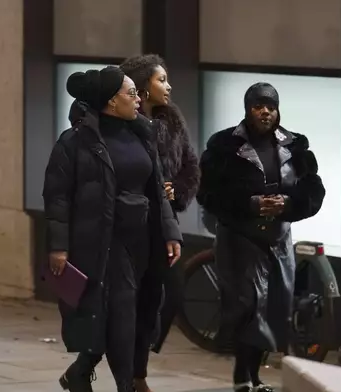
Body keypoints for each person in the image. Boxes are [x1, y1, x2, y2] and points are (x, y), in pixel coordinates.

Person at [43, 66, 182, 392]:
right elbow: (57, 198)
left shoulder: (141, 134)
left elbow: (157, 190)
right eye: (131, 93)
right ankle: (127, 385)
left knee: (138, 311)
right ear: (110, 101)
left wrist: (170, 230)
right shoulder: (75, 143)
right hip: (104, 241)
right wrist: (58, 247)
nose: (138, 99)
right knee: (122, 314)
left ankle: (80, 372)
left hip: (143, 239)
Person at [197, 82, 326, 392]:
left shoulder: (295, 146)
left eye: (271, 106)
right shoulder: (224, 146)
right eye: (258, 106)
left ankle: (255, 377)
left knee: (273, 310)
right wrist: (250, 203)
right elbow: (209, 194)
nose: (265, 112)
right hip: (240, 238)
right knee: (248, 307)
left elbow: (313, 191)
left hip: (279, 240)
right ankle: (243, 378)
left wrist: (289, 203)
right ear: (247, 109)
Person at [120, 54, 200, 392]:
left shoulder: (173, 119)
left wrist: (177, 188)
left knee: (169, 295)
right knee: (131, 301)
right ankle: (131, 375)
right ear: (142, 86)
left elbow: (191, 167)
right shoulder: (122, 121)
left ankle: (136, 366)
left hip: (165, 224)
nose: (168, 86)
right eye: (161, 80)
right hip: (130, 226)